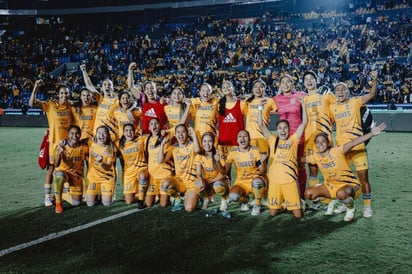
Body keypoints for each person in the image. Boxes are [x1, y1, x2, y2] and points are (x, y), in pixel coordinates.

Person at [304, 123, 387, 221]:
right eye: (317, 142)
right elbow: (300, 160)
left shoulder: (337, 151)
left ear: (328, 143)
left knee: (342, 194)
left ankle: (351, 208)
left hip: (350, 185)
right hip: (331, 187)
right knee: (308, 193)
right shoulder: (315, 156)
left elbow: (353, 143)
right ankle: (336, 201)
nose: (320, 144)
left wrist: (371, 134)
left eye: (323, 141)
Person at [329, 72, 378, 218]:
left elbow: (371, 94)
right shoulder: (332, 108)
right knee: (342, 179)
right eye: (337, 90)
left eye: (343, 89)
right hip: (341, 149)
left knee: (363, 177)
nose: (340, 92)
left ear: (348, 92)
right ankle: (346, 204)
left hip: (357, 146)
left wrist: (374, 79)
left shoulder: (355, 102)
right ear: (334, 93)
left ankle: (367, 207)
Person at [259, 96, 307, 219]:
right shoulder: (273, 140)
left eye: (285, 128)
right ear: (277, 130)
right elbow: (261, 125)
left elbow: (304, 123)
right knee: (273, 213)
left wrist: (304, 106)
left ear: (289, 129)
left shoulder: (293, 139)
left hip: (290, 180)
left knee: (298, 215)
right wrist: (260, 108)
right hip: (275, 180)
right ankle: (283, 204)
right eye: (280, 128)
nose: (283, 130)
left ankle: (291, 203)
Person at [29, 79, 73, 207]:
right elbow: (32, 103)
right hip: (54, 144)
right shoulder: (50, 105)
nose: (65, 95)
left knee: (67, 170)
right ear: (58, 95)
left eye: (67, 93)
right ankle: (47, 197)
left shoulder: (71, 106)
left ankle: (61, 195)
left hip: (69, 145)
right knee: (51, 170)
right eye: (62, 93)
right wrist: (36, 87)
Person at [302, 70, 336, 208]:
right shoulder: (303, 99)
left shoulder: (326, 95)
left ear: (316, 80)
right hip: (309, 139)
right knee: (313, 170)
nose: (309, 81)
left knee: (330, 169)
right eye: (306, 79)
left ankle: (332, 199)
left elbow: (336, 110)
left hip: (325, 138)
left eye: (311, 78)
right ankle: (315, 199)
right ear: (304, 83)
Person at [217, 130, 267, 216]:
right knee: (233, 196)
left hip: (255, 179)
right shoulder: (233, 152)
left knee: (257, 182)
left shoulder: (255, 150)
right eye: (240, 136)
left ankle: (257, 204)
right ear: (237, 140)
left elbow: (263, 171)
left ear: (249, 139)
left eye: (245, 136)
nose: (242, 138)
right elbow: (224, 172)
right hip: (241, 182)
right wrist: (218, 162)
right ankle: (245, 200)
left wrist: (261, 161)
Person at [274, 74, 307, 199]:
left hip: (298, 136)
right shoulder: (276, 99)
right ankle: (286, 195)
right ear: (280, 85)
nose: (286, 84)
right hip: (283, 138)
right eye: (283, 82)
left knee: (300, 165)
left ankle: (302, 196)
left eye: (288, 82)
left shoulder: (301, 95)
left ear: (292, 84)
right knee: (284, 165)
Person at [158, 124, 201, 212]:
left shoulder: (192, 145)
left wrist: (194, 136)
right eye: (178, 132)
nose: (180, 135)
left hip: (192, 183)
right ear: (175, 135)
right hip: (180, 181)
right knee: (165, 185)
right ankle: (178, 198)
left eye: (183, 132)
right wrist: (162, 145)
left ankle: (198, 198)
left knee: (189, 208)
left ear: (187, 133)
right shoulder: (173, 148)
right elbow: (160, 160)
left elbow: (197, 150)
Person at [52, 125, 88, 213]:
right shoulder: (61, 146)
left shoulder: (84, 147)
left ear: (80, 135)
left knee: (76, 202)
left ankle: (60, 193)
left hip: (76, 176)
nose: (74, 136)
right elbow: (56, 165)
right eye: (72, 133)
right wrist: (59, 153)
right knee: (59, 176)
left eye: (77, 133)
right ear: (67, 135)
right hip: (63, 172)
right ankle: (58, 203)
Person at [80, 64, 119, 137]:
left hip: (110, 135)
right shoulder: (100, 98)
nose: (107, 86)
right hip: (97, 134)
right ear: (101, 88)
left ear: (113, 88)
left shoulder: (117, 101)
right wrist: (84, 71)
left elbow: (132, 102)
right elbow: (89, 85)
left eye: (109, 85)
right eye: (105, 84)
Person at [142, 118, 174, 207]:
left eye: (156, 123)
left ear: (160, 126)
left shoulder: (167, 136)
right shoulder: (146, 140)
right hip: (153, 177)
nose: (154, 125)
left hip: (165, 175)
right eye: (151, 124)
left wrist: (166, 130)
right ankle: (159, 194)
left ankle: (173, 193)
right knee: (148, 204)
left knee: (163, 204)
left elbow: (179, 126)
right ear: (149, 127)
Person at [127, 62, 167, 134]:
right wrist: (130, 70)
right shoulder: (143, 99)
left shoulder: (161, 101)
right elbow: (131, 87)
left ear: (156, 90)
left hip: (160, 135)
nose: (150, 91)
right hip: (147, 135)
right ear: (144, 91)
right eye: (147, 89)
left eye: (152, 88)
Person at [194, 132, 230, 211]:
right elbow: (199, 173)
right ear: (202, 142)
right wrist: (200, 178)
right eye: (205, 141)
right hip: (209, 181)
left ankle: (224, 198)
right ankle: (206, 199)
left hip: (220, 180)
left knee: (217, 186)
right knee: (197, 184)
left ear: (213, 142)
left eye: (210, 141)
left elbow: (223, 173)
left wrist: (218, 162)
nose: (207, 144)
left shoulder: (218, 154)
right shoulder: (199, 156)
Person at [86, 125, 118, 206]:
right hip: (93, 177)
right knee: (90, 204)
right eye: (99, 133)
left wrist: (101, 163)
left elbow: (108, 167)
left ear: (108, 135)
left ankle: (104, 194)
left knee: (106, 204)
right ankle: (95, 195)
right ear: (96, 135)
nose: (101, 135)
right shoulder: (91, 143)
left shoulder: (111, 148)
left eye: (104, 133)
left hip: (107, 178)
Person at [117, 123, 148, 206]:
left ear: (134, 132)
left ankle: (141, 200)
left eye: (131, 130)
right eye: (126, 131)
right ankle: (145, 194)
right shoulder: (119, 144)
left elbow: (152, 136)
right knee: (129, 201)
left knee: (142, 176)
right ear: (123, 132)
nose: (129, 133)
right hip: (129, 173)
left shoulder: (141, 140)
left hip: (141, 169)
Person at [244, 79, 277, 155]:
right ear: (252, 89)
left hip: (263, 136)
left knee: (263, 164)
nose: (258, 89)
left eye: (261, 87)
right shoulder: (247, 102)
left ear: (264, 89)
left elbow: (279, 111)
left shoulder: (269, 101)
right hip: (250, 137)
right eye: (255, 87)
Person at [217, 80, 246, 160]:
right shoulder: (219, 105)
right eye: (224, 87)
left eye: (229, 86)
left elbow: (250, 118)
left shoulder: (241, 103)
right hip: (224, 142)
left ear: (233, 88)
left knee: (241, 170)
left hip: (239, 142)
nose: (226, 88)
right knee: (225, 170)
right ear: (222, 90)